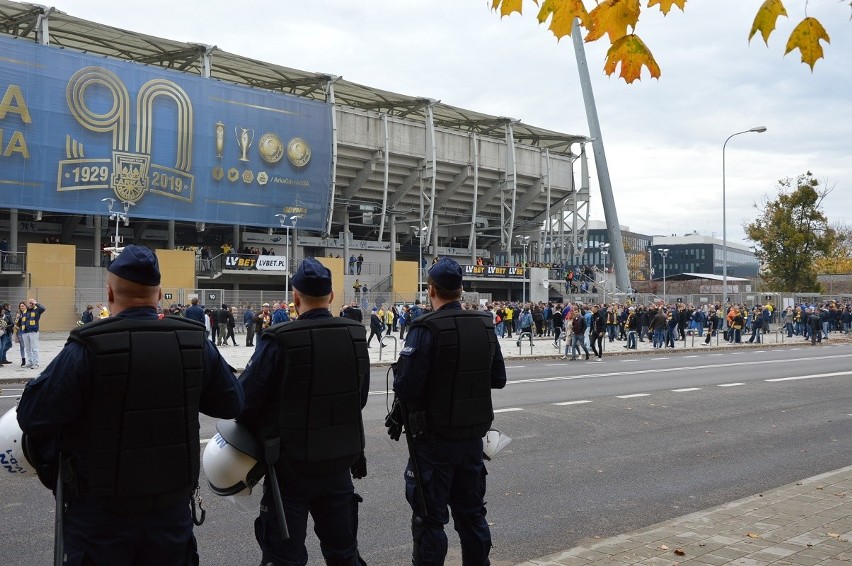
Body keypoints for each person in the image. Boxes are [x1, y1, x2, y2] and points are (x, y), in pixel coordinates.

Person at [16, 244, 244, 566]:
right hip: (170, 514)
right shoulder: (194, 342)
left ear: (110, 293)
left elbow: (33, 416)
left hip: (100, 519)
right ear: (159, 293)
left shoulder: (88, 346)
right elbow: (233, 402)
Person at [238, 258, 370, 566]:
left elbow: (245, 402)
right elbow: (359, 399)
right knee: (344, 553)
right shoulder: (355, 336)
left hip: (290, 469)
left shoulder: (279, 339)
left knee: (285, 557)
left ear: (295, 298)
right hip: (339, 464)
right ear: (331, 297)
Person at [388, 257, 506, 565]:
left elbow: (408, 388)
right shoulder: (484, 324)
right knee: (472, 517)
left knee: (429, 521)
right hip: (471, 441)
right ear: (461, 289)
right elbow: (499, 379)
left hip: (434, 443)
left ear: (431, 290)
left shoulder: (425, 328)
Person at [20, 297, 46, 369]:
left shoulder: (37, 310)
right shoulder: (25, 311)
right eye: (29, 303)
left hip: (33, 332)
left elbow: (43, 308)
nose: (30, 304)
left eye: (32, 303)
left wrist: (36, 303)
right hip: (24, 332)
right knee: (27, 349)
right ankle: (30, 362)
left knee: (34, 348)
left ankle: (36, 363)